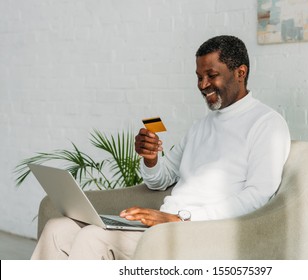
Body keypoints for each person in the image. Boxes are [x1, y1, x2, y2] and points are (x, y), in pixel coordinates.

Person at [31, 35, 290, 260]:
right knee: (58, 229)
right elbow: (160, 180)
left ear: (240, 72)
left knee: (92, 238)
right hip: (164, 224)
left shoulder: (266, 124)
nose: (202, 85)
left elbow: (258, 195)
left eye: (212, 75)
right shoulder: (201, 126)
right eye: (199, 77)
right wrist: (151, 159)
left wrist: (183, 218)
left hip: (201, 232)